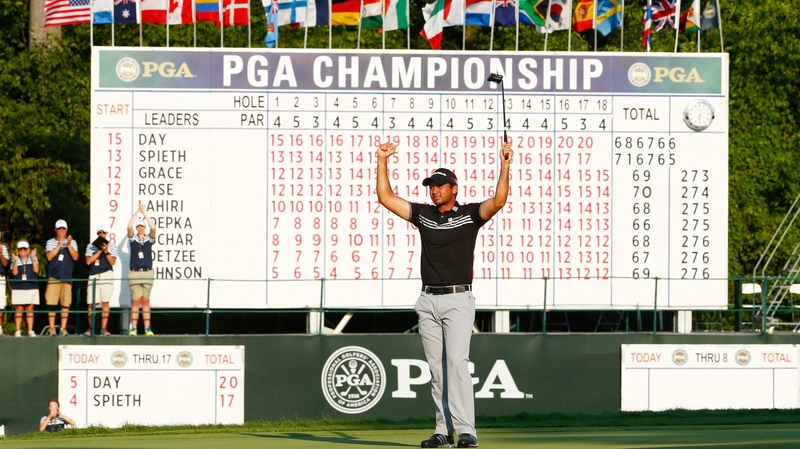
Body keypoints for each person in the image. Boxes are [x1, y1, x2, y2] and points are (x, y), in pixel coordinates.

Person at [376, 140, 513, 449]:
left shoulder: (469, 215)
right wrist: (382, 160)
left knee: (457, 363)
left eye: (439, 185)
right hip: (427, 300)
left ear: (454, 188)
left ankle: (467, 431)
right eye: (431, 186)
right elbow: (386, 197)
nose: (434, 190)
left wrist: (505, 165)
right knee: (437, 369)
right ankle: (443, 430)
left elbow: (499, 201)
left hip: (458, 299)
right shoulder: (424, 215)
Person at [44, 219, 79, 336]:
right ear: (55, 230)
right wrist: (59, 244)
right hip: (54, 277)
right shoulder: (50, 242)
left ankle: (63, 329)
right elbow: (49, 257)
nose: (61, 231)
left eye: (63, 228)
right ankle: (52, 328)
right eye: (59, 229)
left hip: (67, 277)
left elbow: (75, 257)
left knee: (65, 304)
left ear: (67, 229)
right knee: (52, 303)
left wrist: (68, 244)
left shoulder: (72, 242)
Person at [127, 203, 156, 336]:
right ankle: (133, 328)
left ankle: (147, 328)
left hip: (148, 272)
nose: (140, 228)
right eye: (138, 226)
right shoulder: (133, 240)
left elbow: (153, 227)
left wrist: (143, 213)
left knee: (146, 300)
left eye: (142, 226)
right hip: (134, 273)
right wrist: (137, 212)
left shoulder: (149, 240)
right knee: (135, 301)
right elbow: (128, 227)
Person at [84, 224, 117, 336]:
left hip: (106, 274)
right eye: (99, 233)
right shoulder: (90, 246)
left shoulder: (112, 246)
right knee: (91, 303)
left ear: (106, 233)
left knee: (105, 302)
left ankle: (104, 328)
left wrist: (106, 251)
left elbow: (112, 262)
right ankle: (91, 328)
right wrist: (99, 251)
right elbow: (88, 262)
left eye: (103, 232)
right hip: (93, 275)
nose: (101, 234)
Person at [10, 241, 39, 337]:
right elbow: (14, 273)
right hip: (18, 286)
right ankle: (17, 331)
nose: (23, 251)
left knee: (30, 308)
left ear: (28, 250)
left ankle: (30, 330)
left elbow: (36, 270)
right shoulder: (14, 259)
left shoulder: (33, 258)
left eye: (24, 249)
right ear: (18, 251)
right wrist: (14, 261)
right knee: (19, 308)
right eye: (20, 249)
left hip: (31, 286)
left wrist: (34, 258)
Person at [0, 239, 8, 337]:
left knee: (0, 305)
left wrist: (0, 254)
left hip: (0, 277)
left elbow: (5, 264)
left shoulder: (3, 247)